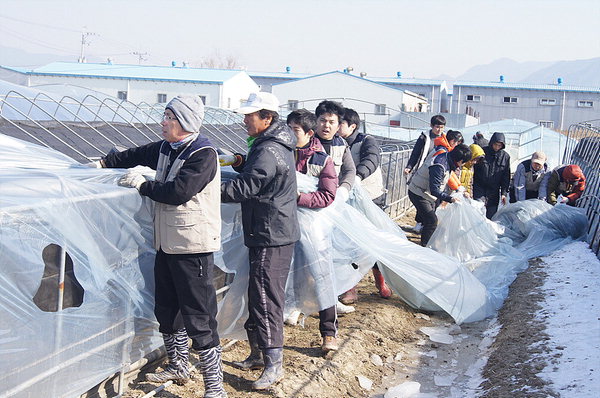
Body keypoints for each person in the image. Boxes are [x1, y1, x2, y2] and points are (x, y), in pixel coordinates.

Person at [91, 96, 226, 397]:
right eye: (164, 116)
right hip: (167, 244)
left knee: (199, 316)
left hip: (193, 247)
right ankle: (178, 364)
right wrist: (104, 162)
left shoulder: (203, 154)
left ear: (186, 123)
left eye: (169, 117)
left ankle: (215, 387)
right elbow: (137, 154)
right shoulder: (167, 147)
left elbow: (179, 192)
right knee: (166, 307)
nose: (163, 122)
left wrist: (142, 185)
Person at [220, 92, 300, 390]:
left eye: (249, 115)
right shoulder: (273, 145)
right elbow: (259, 173)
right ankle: (258, 353)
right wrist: (242, 161)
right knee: (258, 294)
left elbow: (245, 188)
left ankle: (273, 365)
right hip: (271, 230)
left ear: (267, 118)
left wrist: (202, 187)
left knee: (266, 297)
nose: (244, 120)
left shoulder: (268, 150)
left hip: (271, 234)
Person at [286, 108, 341, 352]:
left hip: (313, 228)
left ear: (309, 133)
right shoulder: (280, 153)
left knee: (321, 277)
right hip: (284, 224)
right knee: (283, 274)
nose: (289, 134)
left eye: (295, 130)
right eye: (287, 128)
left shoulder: (321, 159)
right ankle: (287, 314)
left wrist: (300, 197)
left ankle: (328, 332)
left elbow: (328, 195)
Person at [337, 107, 392, 300]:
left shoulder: (367, 141)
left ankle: (381, 281)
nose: (335, 126)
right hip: (345, 197)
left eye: (339, 123)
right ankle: (350, 287)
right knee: (347, 242)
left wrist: (358, 177)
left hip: (369, 196)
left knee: (371, 241)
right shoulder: (334, 142)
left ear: (352, 126)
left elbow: (372, 160)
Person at [313, 100, 358, 306]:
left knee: (332, 252)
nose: (326, 125)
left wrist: (344, 189)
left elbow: (349, 170)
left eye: (331, 121)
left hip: (333, 208)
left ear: (338, 124)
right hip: (310, 206)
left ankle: (332, 297)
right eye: (322, 120)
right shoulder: (307, 142)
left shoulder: (341, 145)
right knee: (311, 254)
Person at [407, 144, 472, 246]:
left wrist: (460, 190)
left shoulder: (447, 159)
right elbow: (434, 190)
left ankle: (427, 243)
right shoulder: (439, 165)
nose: (462, 165)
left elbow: (449, 178)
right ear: (460, 160)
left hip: (425, 193)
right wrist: (450, 199)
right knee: (432, 221)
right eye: (463, 162)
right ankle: (425, 247)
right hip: (418, 192)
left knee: (431, 220)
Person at [403, 115, 446, 232]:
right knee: (421, 197)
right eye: (437, 127)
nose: (439, 130)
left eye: (442, 127)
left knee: (433, 198)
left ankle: (428, 223)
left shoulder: (445, 139)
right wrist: (409, 167)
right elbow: (416, 153)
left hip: (437, 171)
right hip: (423, 170)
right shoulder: (424, 138)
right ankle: (420, 222)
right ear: (431, 126)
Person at [473, 132, 511, 219]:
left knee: (491, 217)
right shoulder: (483, 152)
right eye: (495, 144)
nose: (497, 147)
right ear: (491, 143)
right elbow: (474, 170)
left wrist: (504, 193)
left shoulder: (505, 157)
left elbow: (506, 176)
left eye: (499, 145)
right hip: (479, 188)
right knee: (478, 214)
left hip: (494, 191)